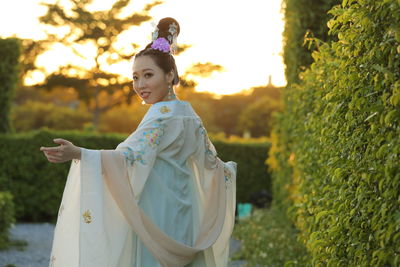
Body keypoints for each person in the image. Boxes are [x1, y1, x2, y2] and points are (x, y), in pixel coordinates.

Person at [40, 17, 237, 267]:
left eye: (148, 75)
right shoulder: (189, 114)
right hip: (185, 211)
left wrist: (80, 153)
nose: (140, 85)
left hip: (155, 212)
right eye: (135, 77)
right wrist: (228, 171)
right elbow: (211, 163)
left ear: (170, 75)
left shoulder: (161, 116)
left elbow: (129, 158)